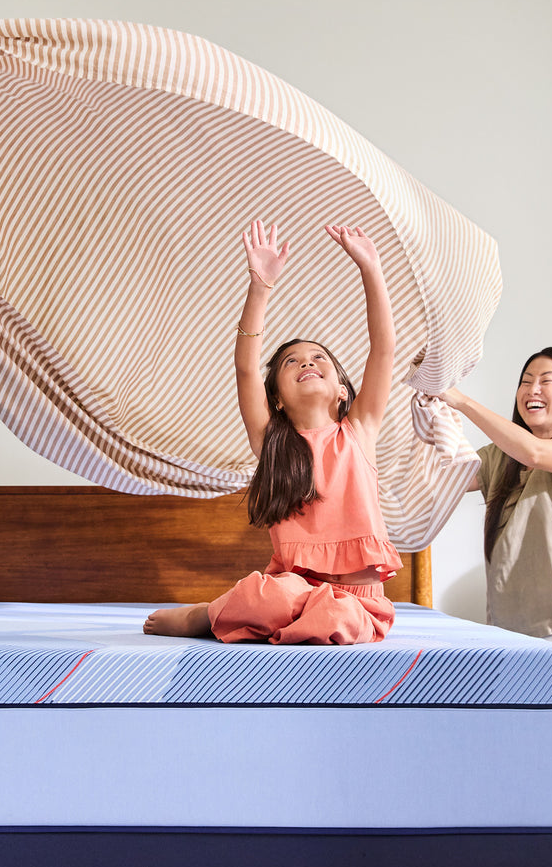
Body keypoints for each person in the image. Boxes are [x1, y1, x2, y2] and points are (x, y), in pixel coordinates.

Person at [144, 219, 401, 645]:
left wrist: (371, 270)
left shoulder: (359, 429)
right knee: (267, 599)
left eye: (319, 358)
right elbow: (246, 367)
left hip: (359, 600)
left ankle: (232, 616)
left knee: (335, 617)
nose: (306, 363)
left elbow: (384, 348)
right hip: (289, 591)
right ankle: (205, 615)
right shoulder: (272, 441)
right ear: (277, 399)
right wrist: (260, 287)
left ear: (341, 390)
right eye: (291, 362)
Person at [439, 348, 552, 760]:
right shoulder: (501, 458)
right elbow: (440, 479)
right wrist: (433, 413)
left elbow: (535, 453)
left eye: (546, 380)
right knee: (515, 753)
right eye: (525, 380)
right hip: (508, 631)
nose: (531, 389)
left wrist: (459, 399)